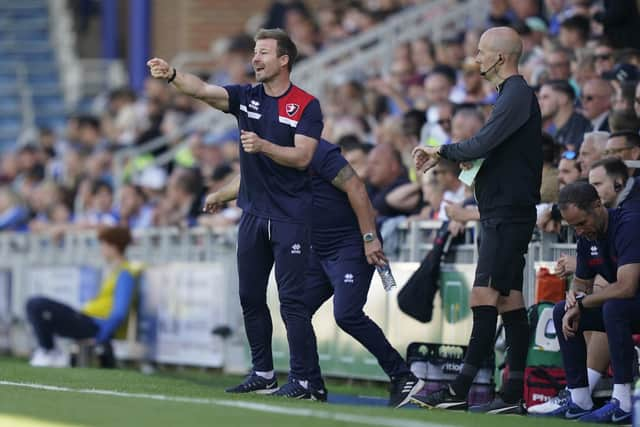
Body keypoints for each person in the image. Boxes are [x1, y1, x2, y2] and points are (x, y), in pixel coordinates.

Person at [149, 28, 322, 396]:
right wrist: (174, 75)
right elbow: (203, 90)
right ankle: (263, 373)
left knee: (292, 302)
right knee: (250, 297)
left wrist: (263, 146)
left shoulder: (306, 104)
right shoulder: (245, 97)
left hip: (291, 217)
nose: (255, 59)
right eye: (255, 53)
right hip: (254, 215)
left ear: (283, 60)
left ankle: (305, 379)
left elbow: (304, 156)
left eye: (263, 53)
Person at [205, 139, 424, 405]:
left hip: (349, 245)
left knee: (347, 314)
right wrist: (218, 195)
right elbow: (248, 179)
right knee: (295, 307)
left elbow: (357, 188)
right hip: (318, 251)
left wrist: (369, 238)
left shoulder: (317, 151)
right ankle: (310, 383)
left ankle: (403, 376)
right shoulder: (272, 151)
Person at [411, 27, 542, 414]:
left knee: (482, 296)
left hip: (507, 214)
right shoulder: (509, 96)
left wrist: (441, 151)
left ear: (500, 57)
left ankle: (459, 391)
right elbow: (490, 147)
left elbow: (483, 142)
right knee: (510, 303)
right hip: (500, 212)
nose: (476, 58)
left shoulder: (516, 93)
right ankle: (512, 394)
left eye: (482, 52)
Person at [541, 182, 640, 423]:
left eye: (582, 223)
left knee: (613, 308)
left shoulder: (629, 224)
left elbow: (627, 288)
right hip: (628, 308)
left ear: (598, 206)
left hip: (629, 303)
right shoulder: (586, 237)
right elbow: (582, 285)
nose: (579, 231)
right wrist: (573, 299)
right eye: (573, 226)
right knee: (560, 311)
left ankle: (623, 400)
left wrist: (583, 303)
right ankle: (579, 399)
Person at [26, 227, 138, 368]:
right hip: (89, 321)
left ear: (113, 246)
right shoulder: (116, 271)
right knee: (36, 306)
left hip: (95, 326)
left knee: (36, 304)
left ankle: (49, 351)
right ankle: (49, 350)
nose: (101, 249)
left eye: (103, 244)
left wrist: (100, 337)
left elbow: (119, 313)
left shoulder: (125, 274)